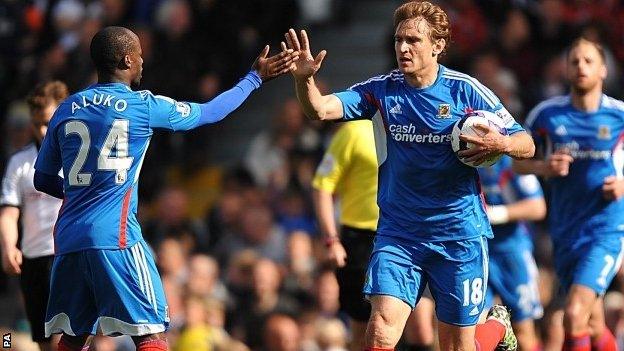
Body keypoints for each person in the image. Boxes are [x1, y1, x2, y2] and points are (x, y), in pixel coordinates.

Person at [283, 1, 536, 350]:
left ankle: (494, 330)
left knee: (456, 346)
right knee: (380, 334)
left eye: (413, 40)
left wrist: (500, 142)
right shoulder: (382, 90)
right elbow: (320, 110)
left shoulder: (466, 90)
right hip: (400, 235)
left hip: (458, 234)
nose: (403, 48)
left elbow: (528, 143)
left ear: (437, 45)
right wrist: (305, 80)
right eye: (399, 40)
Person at [32, 26, 298, 351]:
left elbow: (42, 179)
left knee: (73, 337)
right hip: (116, 238)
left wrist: (80, 195)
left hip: (69, 240)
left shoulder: (66, 108)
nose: (144, 60)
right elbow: (209, 112)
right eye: (140, 54)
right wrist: (253, 79)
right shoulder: (142, 105)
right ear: (127, 59)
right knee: (152, 334)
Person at [513, 37, 624, 351]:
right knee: (593, 321)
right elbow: (517, 164)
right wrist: (544, 168)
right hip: (565, 230)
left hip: (606, 229)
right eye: (574, 61)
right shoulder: (546, 116)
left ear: (603, 70)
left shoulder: (619, 115)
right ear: (565, 68)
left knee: (573, 315)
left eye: (589, 61)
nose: (581, 67)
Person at [312, 120, 434, 351]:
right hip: (360, 240)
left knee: (420, 324)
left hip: (407, 236)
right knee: (364, 327)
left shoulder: (416, 126)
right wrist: (331, 239)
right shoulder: (352, 132)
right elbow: (323, 185)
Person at [0, 81, 68, 351]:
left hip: (67, 255)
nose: (43, 130)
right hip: (32, 259)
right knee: (39, 340)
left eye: (49, 122)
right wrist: (8, 246)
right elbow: (8, 211)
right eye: (38, 123)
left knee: (68, 336)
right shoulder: (19, 163)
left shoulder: (79, 158)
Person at [478, 156, 546, 351]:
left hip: (512, 253)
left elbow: (537, 207)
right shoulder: (460, 161)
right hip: (476, 252)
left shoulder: (511, 164)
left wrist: (493, 214)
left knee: (523, 330)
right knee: (476, 329)